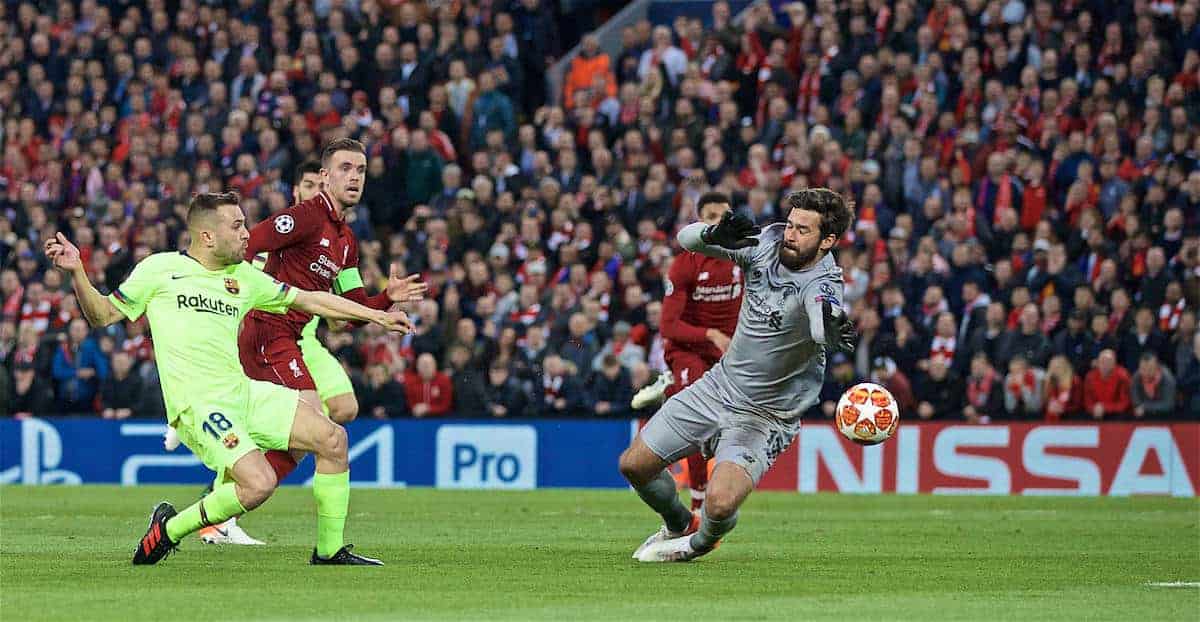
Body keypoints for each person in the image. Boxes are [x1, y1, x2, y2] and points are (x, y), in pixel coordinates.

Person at [44, 191, 413, 565]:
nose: (246, 234)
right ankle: (169, 530)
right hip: (199, 404)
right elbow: (101, 315)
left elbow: (312, 300)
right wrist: (78, 272)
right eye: (237, 226)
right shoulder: (159, 269)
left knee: (333, 439)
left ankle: (329, 551)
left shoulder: (244, 278)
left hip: (243, 392)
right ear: (207, 236)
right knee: (260, 483)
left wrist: (378, 316)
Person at [175, 143, 425, 545]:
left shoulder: (346, 241)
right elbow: (249, 243)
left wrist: (385, 299)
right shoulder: (305, 217)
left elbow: (351, 307)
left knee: (311, 437)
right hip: (265, 334)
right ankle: (224, 508)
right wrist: (227, 295)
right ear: (325, 177)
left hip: (286, 339)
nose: (355, 176)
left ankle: (221, 504)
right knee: (320, 429)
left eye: (361, 169)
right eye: (345, 168)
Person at [620, 188, 856, 562]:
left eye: (803, 230)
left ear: (828, 241)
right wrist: (711, 236)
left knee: (719, 503)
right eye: (791, 224)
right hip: (719, 386)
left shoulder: (823, 283)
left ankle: (698, 545)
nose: (791, 235)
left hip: (765, 416)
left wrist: (827, 328)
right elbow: (685, 240)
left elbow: (819, 319)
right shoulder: (765, 243)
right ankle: (680, 524)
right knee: (634, 465)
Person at [631, 192, 743, 511]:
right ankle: (698, 500)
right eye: (711, 216)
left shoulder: (744, 258)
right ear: (698, 223)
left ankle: (670, 387)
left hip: (727, 353)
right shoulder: (684, 264)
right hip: (688, 350)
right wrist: (710, 334)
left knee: (728, 422)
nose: (718, 223)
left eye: (724, 216)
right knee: (697, 418)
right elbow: (668, 326)